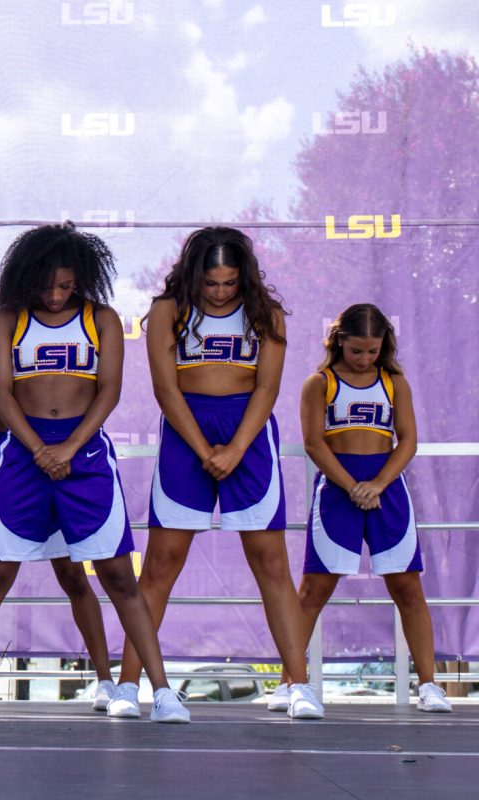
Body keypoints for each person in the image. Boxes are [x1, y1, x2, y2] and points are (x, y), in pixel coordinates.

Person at [0, 224, 189, 724]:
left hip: (86, 456)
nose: (55, 296)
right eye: (46, 286)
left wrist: (70, 447)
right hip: (24, 454)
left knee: (117, 576)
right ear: (25, 278)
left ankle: (158, 691)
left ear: (82, 280)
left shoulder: (103, 320)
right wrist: (37, 449)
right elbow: (2, 396)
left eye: (66, 286)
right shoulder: (7, 319)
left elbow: (109, 391)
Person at [120, 226, 323, 720]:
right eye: (211, 283)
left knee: (270, 564)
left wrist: (234, 448)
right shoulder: (169, 310)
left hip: (247, 435)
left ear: (243, 277)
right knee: (161, 565)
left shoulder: (265, 313)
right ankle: (127, 687)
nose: (219, 292)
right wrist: (203, 447)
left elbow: (268, 387)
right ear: (194, 275)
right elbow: (165, 389)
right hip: (185, 429)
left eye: (229, 283)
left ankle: (297, 684)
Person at [0, 298, 117, 713]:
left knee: (74, 576)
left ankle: (106, 679)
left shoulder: (61, 351)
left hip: (56, 464)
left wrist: (55, 457)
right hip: (4, 468)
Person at [286, 304, 450, 713]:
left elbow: (407, 440)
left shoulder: (395, 383)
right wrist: (352, 486)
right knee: (313, 590)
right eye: (357, 350)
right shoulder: (318, 383)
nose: (364, 359)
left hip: (386, 488)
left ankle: (429, 685)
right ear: (339, 340)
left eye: (372, 351)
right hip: (338, 487)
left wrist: (377, 484)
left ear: (384, 346)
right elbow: (313, 443)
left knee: (408, 588)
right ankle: (291, 683)